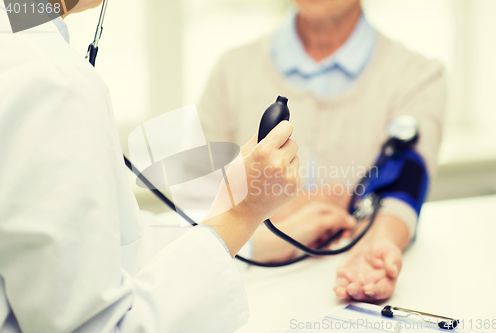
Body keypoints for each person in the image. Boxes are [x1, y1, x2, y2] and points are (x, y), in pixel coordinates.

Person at [0, 1, 300, 332]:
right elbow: (97, 326)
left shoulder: (22, 42)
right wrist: (243, 215)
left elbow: (115, 244)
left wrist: (243, 230)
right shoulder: (52, 83)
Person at [197, 0, 446, 301]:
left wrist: (377, 249)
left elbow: (403, 189)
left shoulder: (419, 76)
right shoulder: (230, 71)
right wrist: (287, 209)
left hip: (338, 297)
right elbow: (198, 204)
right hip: (246, 295)